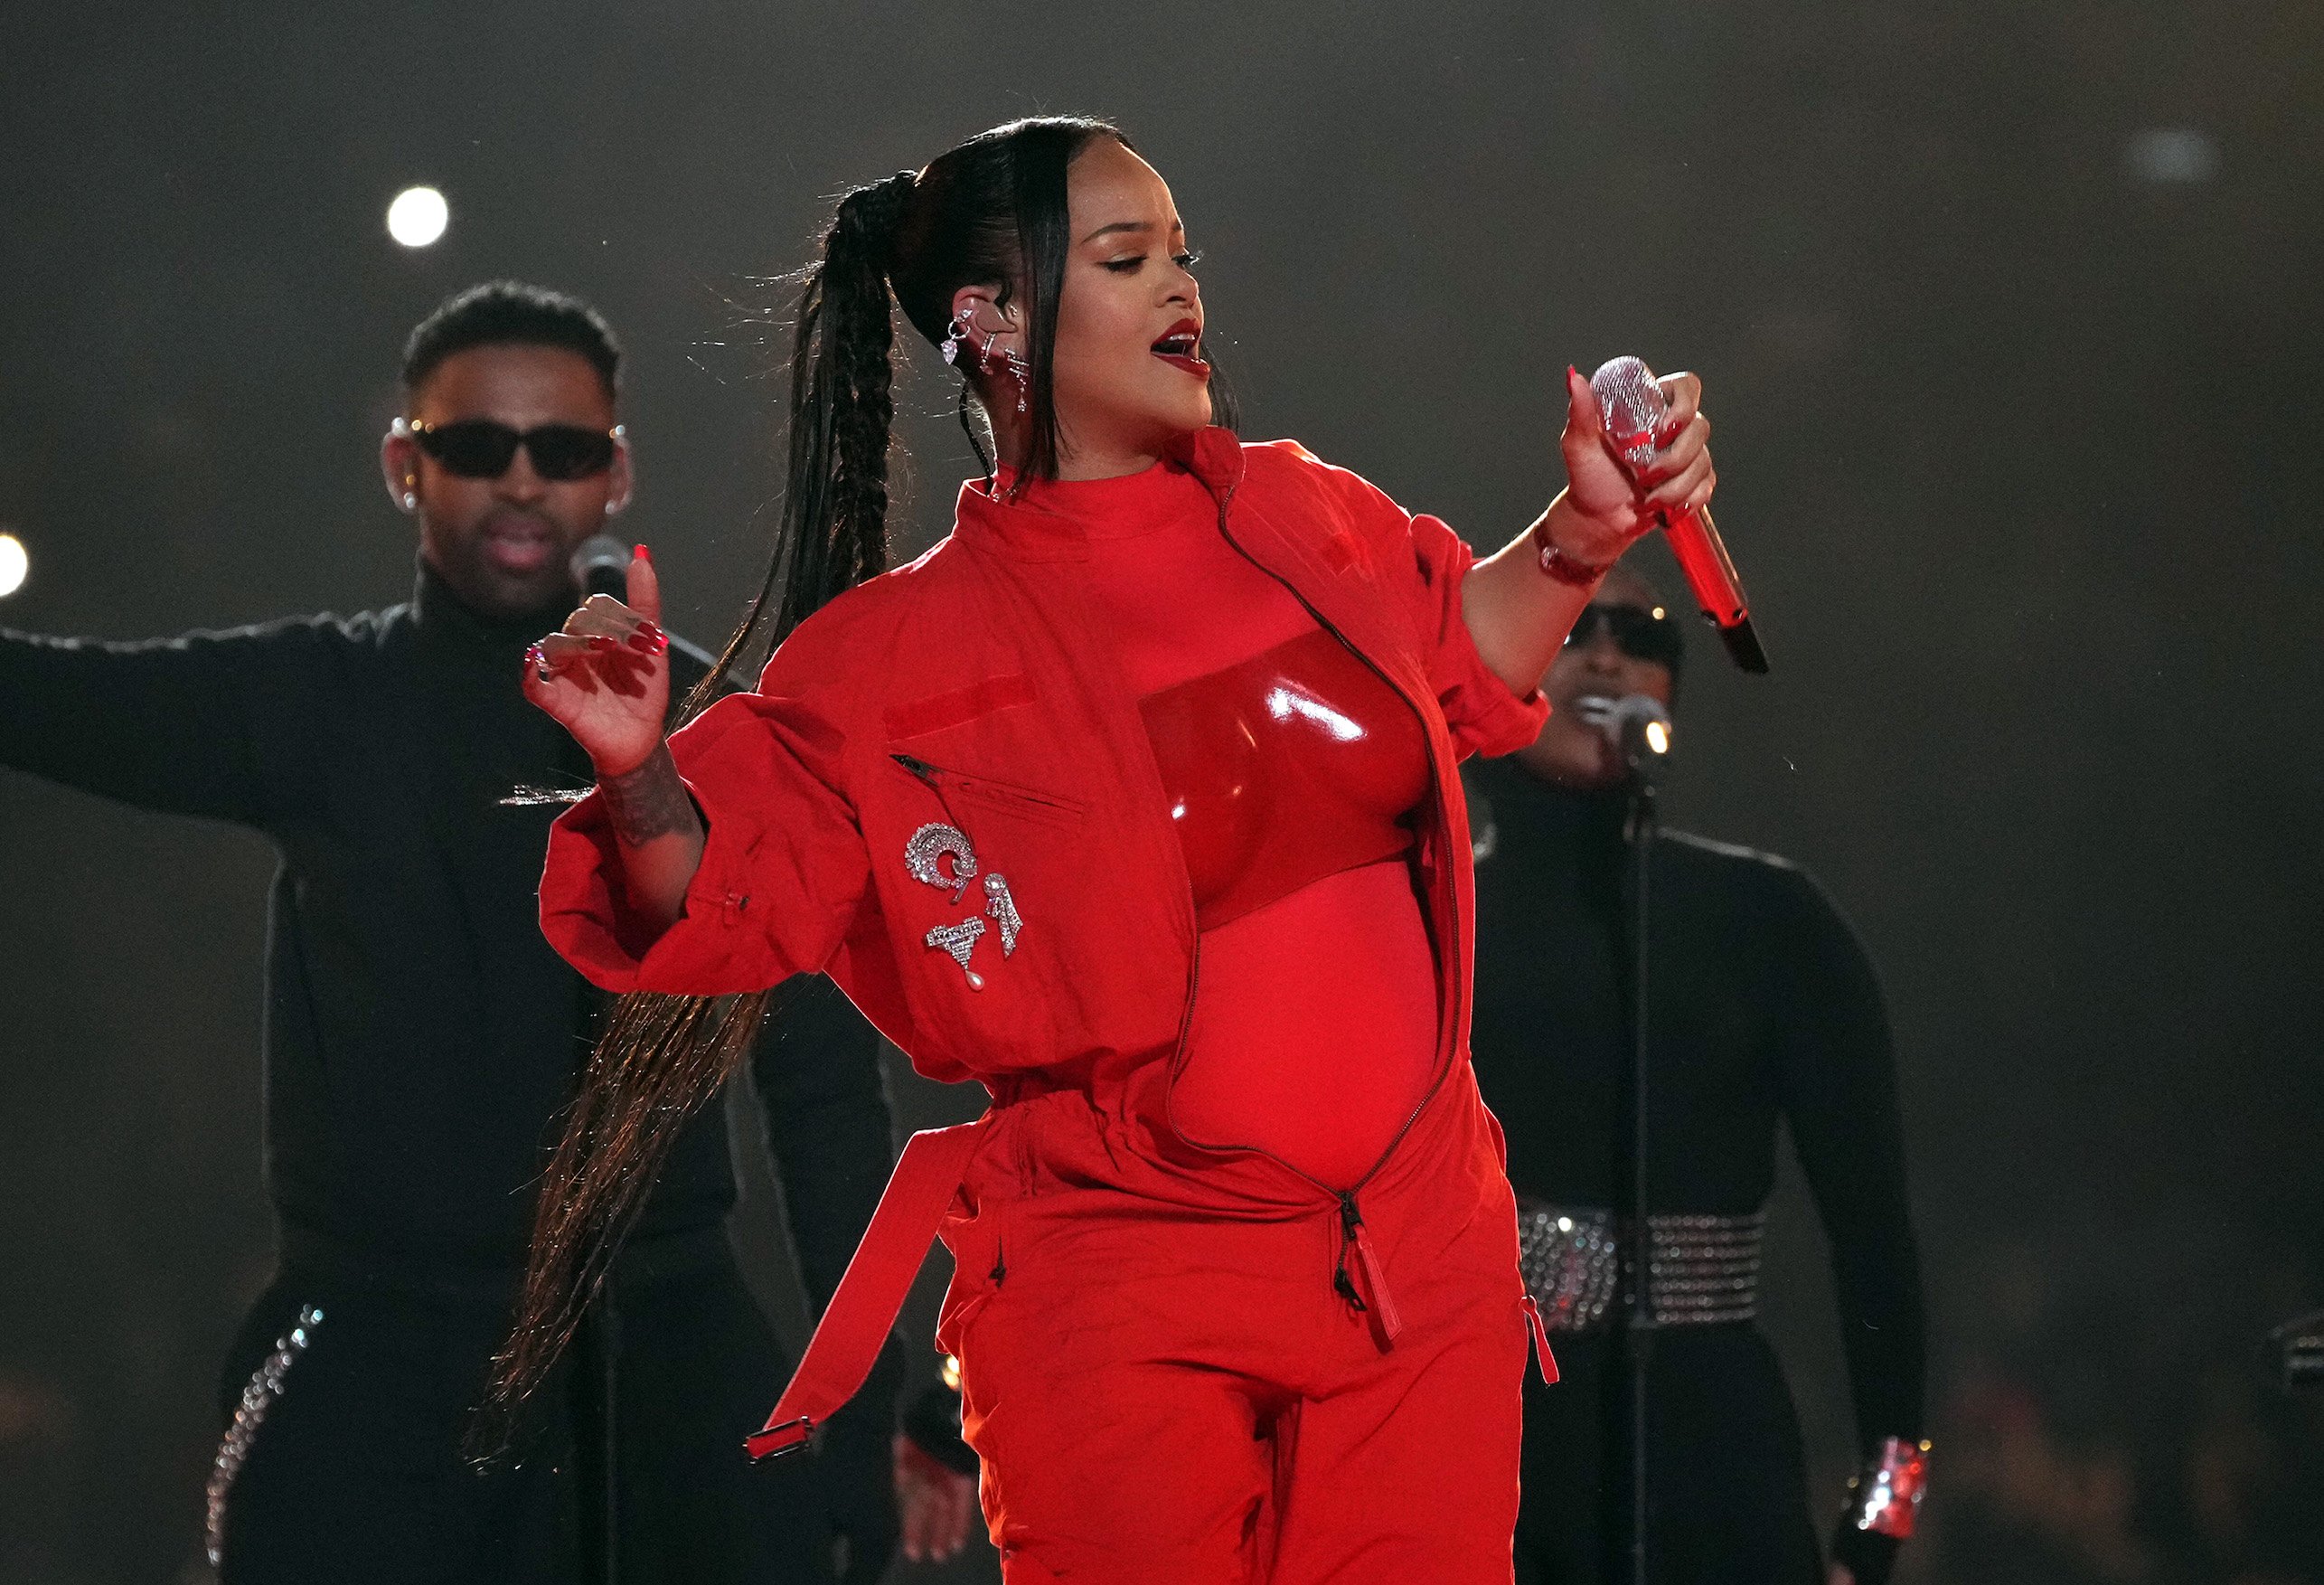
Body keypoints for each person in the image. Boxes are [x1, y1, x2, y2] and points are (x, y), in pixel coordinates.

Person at [500, 117, 1721, 1585]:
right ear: (991, 323)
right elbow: (717, 897)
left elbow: (1456, 649)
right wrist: (638, 770)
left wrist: (1586, 531)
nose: (1178, 288)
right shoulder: (895, 656)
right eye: (1128, 257)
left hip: (1420, 1272)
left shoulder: (1300, 512)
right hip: (1121, 1294)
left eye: (1183, 255)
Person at [0, 281, 927, 1583]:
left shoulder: (718, 739)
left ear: (614, 476)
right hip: (386, 1351)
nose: (519, 482)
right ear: (404, 463)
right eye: (475, 446)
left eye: (560, 451)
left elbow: (825, 1093)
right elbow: (48, 701)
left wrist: (872, 1401)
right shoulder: (318, 700)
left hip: (661, 1349)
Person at [1462, 563, 1929, 1585]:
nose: (1608, 652)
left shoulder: (1774, 924)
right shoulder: (1425, 917)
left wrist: (1886, 1508)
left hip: (1710, 1456)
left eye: (1647, 638)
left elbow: (1876, 1238)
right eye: (1573, 625)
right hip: (1474, 1440)